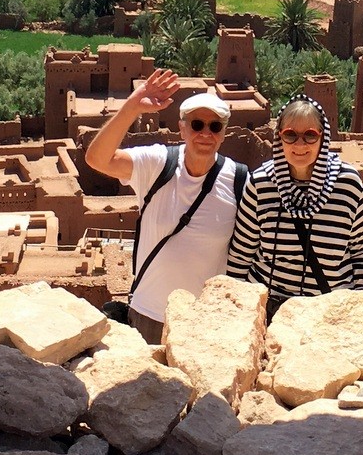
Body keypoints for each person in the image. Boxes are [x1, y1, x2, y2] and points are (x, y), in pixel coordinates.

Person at [84, 67, 247, 344]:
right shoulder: (158, 164)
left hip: (204, 323)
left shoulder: (239, 180)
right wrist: (132, 107)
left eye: (214, 126)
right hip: (149, 317)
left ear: (223, 133)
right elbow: (98, 159)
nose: (205, 133)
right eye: (197, 124)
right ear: (182, 127)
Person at [227, 94, 363, 320]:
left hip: (329, 312)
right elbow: (241, 255)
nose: (299, 144)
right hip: (271, 313)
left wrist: (362, 303)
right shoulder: (261, 184)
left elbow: (362, 251)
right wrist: (239, 314)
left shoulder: (348, 184)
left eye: (309, 135)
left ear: (322, 138)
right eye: (290, 135)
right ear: (279, 138)